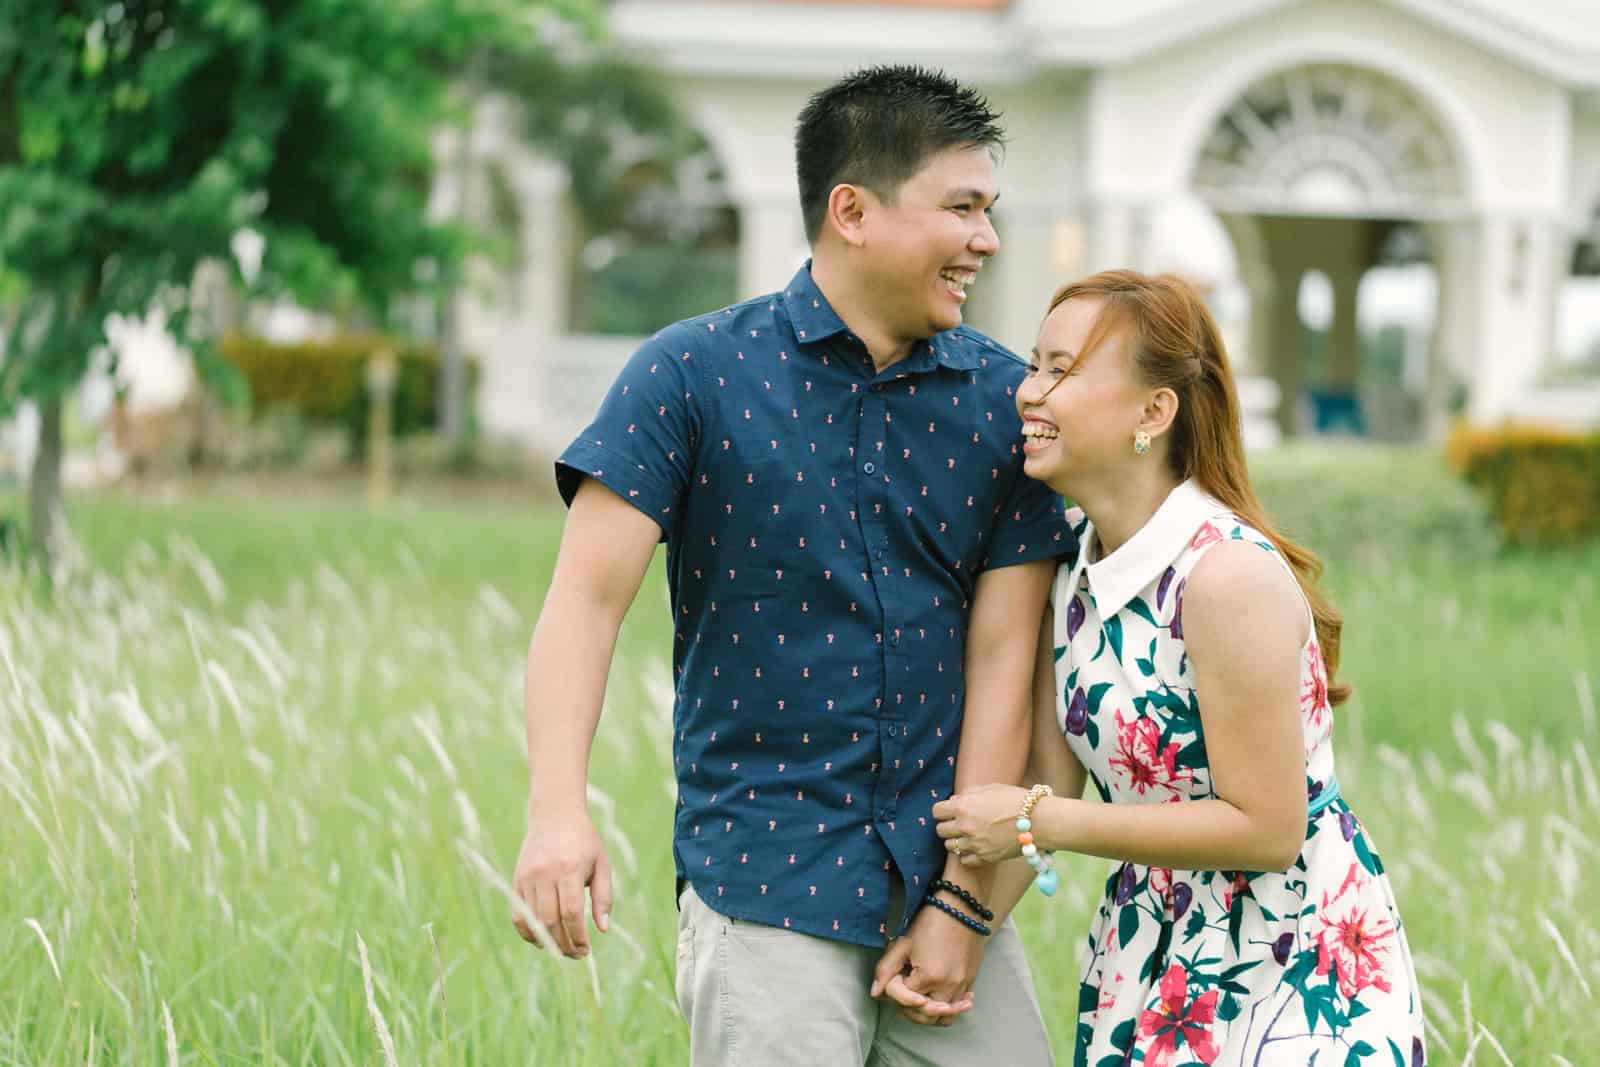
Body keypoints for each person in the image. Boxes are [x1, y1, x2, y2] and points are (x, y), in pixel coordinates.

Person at [511, 65, 1074, 1065]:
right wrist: (557, 812)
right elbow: (584, 604)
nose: (984, 239)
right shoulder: (689, 374)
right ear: (851, 211)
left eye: (989, 209)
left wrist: (961, 903)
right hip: (764, 881)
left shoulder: (1005, 404)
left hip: (945, 896)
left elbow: (1004, 657)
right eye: (962, 207)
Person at [932, 270, 1426, 1066]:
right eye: (1034, 363)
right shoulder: (1074, 573)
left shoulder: (1223, 575)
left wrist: (1036, 820)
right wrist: (950, 935)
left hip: (1295, 962)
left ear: (1153, 412)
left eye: (1062, 369)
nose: (1028, 391)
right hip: (1150, 951)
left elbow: (1268, 827)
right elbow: (1050, 787)